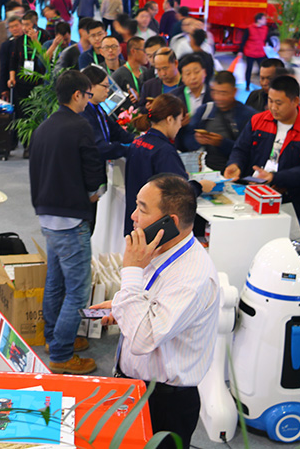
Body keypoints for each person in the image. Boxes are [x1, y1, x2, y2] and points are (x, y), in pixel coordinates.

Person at [92, 173, 219, 449]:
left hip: (164, 402)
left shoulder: (192, 278)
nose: (133, 216)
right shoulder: (161, 249)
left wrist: (131, 270)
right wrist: (122, 308)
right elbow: (153, 306)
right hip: (137, 387)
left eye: (142, 208)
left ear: (169, 222)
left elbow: (143, 339)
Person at [28, 70, 106, 375]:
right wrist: (95, 192)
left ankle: (54, 339)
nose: (88, 101)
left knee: (56, 281)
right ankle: (61, 354)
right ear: (77, 95)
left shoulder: (44, 127)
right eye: (88, 95)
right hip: (71, 218)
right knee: (77, 290)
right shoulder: (80, 126)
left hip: (47, 215)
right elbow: (92, 169)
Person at [224, 75, 300, 219]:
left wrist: (277, 178)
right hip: (250, 194)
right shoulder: (258, 121)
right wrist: (235, 164)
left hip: (287, 203)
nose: (273, 107)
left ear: (295, 101)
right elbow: (241, 149)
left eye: (279, 103)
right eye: (270, 101)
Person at [123, 95, 215, 234]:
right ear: (170, 119)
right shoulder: (164, 151)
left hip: (136, 222)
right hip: (155, 227)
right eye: (180, 120)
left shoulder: (138, 142)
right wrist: (200, 186)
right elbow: (180, 195)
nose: (180, 126)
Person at [80, 65, 135, 227]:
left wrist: (137, 141)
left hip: (95, 177)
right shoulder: (85, 113)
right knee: (85, 227)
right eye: (104, 86)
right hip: (85, 180)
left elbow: (117, 132)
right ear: (90, 86)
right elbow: (99, 148)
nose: (108, 91)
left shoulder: (98, 109)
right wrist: (127, 149)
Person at [185, 71, 256, 172]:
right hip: (204, 170)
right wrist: (197, 140)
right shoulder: (205, 111)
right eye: (215, 92)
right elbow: (187, 140)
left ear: (234, 91)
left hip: (233, 171)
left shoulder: (247, 115)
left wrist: (222, 143)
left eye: (223, 93)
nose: (218, 97)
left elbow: (248, 151)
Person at [0, 3, 26, 103]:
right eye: (12, 27)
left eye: (16, 26)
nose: (14, 28)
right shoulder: (3, 40)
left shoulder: (27, 39)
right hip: (3, 75)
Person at [240, 13, 268, 88]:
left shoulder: (265, 29)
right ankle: (247, 85)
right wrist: (240, 51)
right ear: (258, 20)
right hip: (250, 52)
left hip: (260, 53)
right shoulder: (249, 29)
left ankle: (264, 85)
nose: (266, 20)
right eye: (264, 19)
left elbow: (267, 39)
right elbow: (244, 40)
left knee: (263, 70)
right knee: (249, 69)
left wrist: (272, 47)